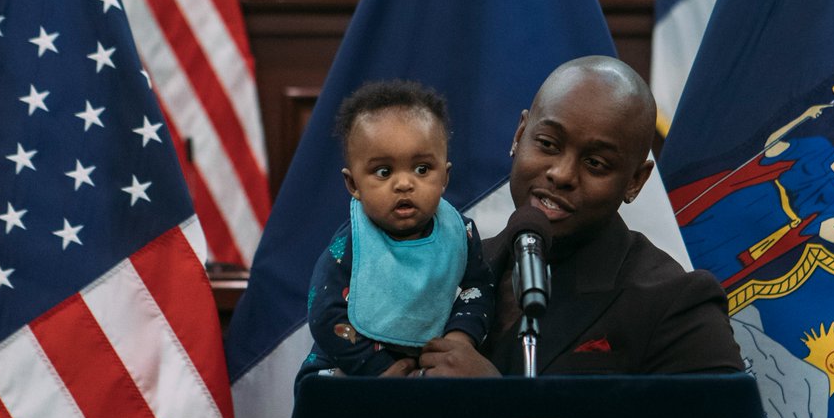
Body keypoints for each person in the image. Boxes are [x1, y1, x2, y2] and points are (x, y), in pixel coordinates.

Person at [415, 56, 743, 376]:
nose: (561, 174)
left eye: (595, 163)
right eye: (547, 144)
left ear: (635, 181)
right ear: (519, 136)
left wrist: (495, 399)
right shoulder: (447, 265)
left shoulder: (675, 302)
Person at [299, 80, 496, 377]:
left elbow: (478, 289)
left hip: (430, 368)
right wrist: (378, 366)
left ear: (444, 176)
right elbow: (326, 314)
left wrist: (460, 339)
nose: (404, 183)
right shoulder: (352, 245)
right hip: (352, 366)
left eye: (422, 169)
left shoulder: (461, 233)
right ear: (353, 184)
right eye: (383, 171)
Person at [672, 103, 834, 288]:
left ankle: (681, 288)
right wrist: (802, 117)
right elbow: (771, 149)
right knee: (705, 228)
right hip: (758, 197)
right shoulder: (820, 146)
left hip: (776, 224)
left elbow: (827, 229)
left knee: (725, 259)